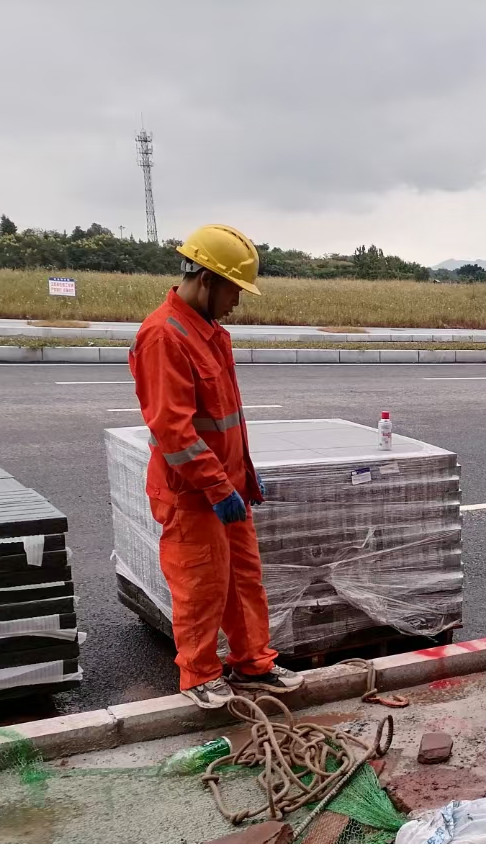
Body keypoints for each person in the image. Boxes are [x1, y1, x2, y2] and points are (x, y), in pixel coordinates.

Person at [129, 224, 305, 708]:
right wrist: (215, 485)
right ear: (206, 279)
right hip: (193, 494)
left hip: (229, 488)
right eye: (234, 289)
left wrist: (244, 476)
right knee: (201, 588)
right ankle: (200, 675)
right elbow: (174, 433)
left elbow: (225, 420)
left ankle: (254, 664)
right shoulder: (164, 336)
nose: (238, 301)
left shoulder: (209, 333)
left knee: (244, 583)